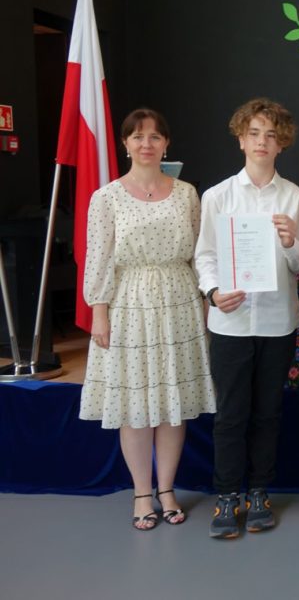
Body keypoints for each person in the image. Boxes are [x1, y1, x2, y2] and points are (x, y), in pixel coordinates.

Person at [79, 108, 216, 530]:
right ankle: (142, 492)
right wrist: (99, 311)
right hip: (129, 305)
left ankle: (168, 489)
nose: (146, 144)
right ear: (125, 143)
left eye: (155, 136)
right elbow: (99, 258)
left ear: (166, 143)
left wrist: (206, 301)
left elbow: (200, 252)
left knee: (173, 404)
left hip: (180, 301)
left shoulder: (187, 193)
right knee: (136, 404)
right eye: (138, 137)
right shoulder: (106, 197)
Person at [194, 98, 299, 539]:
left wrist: (291, 242)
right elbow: (205, 255)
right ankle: (227, 495)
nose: (262, 141)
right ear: (241, 140)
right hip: (230, 320)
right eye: (254, 133)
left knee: (267, 412)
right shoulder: (218, 196)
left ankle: (259, 491)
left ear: (282, 144)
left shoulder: (295, 197)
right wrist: (213, 292)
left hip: (277, 321)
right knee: (230, 414)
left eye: (271, 135)